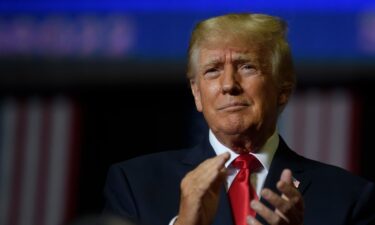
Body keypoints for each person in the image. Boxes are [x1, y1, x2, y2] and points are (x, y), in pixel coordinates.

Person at [103, 13, 375, 225]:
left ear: (283, 90)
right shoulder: (135, 184)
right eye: (212, 70)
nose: (229, 84)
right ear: (197, 94)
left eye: (247, 66)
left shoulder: (348, 197)